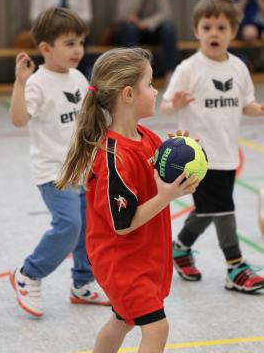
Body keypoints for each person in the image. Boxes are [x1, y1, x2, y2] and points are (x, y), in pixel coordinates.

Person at [56, 47, 199, 352]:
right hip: (122, 262)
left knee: (123, 321)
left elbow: (162, 178)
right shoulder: (112, 158)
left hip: (146, 256)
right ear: (129, 95)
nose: (156, 88)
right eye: (149, 83)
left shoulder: (147, 137)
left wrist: (183, 158)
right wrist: (167, 196)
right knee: (157, 328)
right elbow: (123, 224)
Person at [9, 7, 109, 318]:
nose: (78, 49)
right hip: (53, 172)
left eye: (80, 42)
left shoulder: (79, 77)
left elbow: (89, 117)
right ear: (46, 49)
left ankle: (82, 282)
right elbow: (18, 118)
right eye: (69, 43)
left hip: (82, 170)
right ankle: (29, 274)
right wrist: (20, 84)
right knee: (69, 225)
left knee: (86, 228)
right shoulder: (37, 84)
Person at [160, 0, 264, 294]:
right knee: (223, 208)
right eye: (207, 27)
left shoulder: (239, 68)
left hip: (227, 154)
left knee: (208, 210)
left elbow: (245, 104)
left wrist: (256, 110)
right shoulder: (189, 68)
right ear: (196, 31)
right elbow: (166, 106)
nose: (213, 33)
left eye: (220, 27)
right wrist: (175, 102)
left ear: (233, 31)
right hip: (196, 156)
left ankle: (179, 249)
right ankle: (236, 267)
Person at [115, 0, 178, 79]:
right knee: (128, 28)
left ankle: (171, 73)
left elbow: (165, 12)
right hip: (132, 32)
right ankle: (134, 73)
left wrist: (146, 23)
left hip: (152, 29)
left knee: (169, 27)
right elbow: (122, 14)